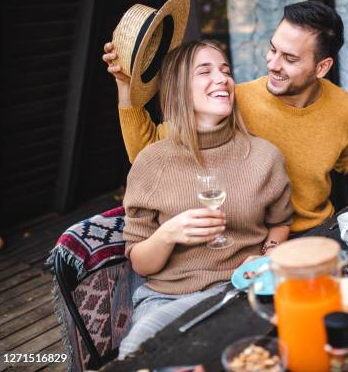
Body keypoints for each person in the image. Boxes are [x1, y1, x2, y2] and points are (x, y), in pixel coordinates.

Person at [104, 1, 348, 234]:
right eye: (273, 49)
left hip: (324, 229)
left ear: (321, 67)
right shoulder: (235, 100)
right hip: (256, 243)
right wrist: (125, 87)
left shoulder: (343, 106)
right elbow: (148, 153)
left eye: (290, 58)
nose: (273, 64)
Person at [117, 40, 292, 358]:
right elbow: (141, 264)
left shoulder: (265, 156)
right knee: (138, 353)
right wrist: (170, 233)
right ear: (179, 88)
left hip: (241, 289)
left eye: (226, 70)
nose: (222, 78)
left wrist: (268, 255)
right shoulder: (152, 162)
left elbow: (280, 223)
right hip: (168, 297)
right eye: (205, 71)